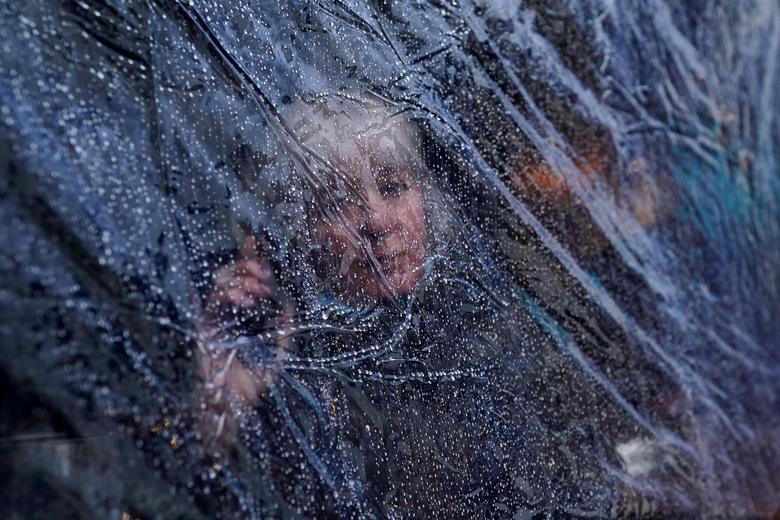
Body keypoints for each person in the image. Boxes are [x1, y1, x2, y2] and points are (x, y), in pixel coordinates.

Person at [197, 92, 672, 517]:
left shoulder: (487, 295)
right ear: (294, 233)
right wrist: (224, 408)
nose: (379, 221)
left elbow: (600, 432)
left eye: (392, 186)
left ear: (424, 196)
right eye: (335, 203)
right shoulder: (289, 366)